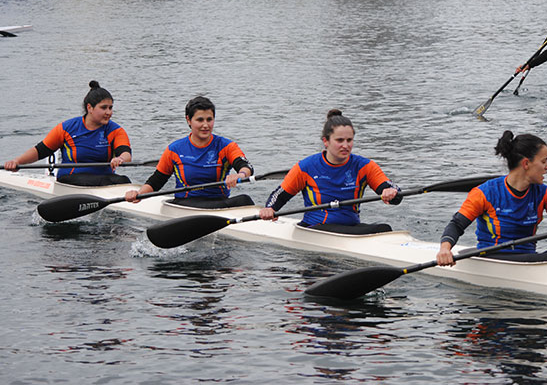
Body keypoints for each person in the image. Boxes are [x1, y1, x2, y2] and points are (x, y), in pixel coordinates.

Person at [436, 131, 547, 267]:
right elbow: (457, 224)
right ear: (526, 163)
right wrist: (445, 249)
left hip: (528, 258)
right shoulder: (485, 193)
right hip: (492, 258)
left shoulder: (545, 193)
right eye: (544, 161)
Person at [259, 109, 402, 234]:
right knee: (383, 228)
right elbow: (279, 196)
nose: (345, 145)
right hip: (315, 229)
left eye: (349, 140)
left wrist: (391, 192)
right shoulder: (306, 167)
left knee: (384, 228)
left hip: (351, 228)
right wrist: (270, 209)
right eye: (340, 140)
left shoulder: (364, 166)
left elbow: (392, 191)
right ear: (326, 141)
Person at [125, 96, 254, 209]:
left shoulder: (226, 146)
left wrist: (240, 175)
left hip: (219, 203)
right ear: (188, 120)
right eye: (200, 120)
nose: (205, 125)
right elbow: (156, 181)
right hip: (185, 205)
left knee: (244, 199)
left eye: (209, 119)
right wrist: (139, 194)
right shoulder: (174, 149)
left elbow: (246, 166)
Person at [3, 81, 132, 186]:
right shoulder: (67, 128)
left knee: (123, 180)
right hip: (70, 179)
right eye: (104, 108)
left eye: (111, 107)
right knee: (108, 181)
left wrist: (120, 159)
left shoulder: (115, 130)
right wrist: (17, 162)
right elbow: (40, 151)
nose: (109, 112)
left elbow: (125, 153)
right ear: (90, 108)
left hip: (104, 179)